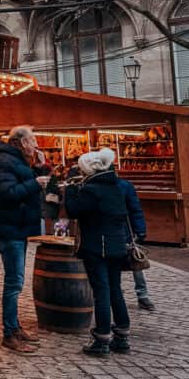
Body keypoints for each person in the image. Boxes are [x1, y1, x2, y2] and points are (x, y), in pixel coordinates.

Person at [64, 148, 131, 356]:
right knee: (115, 289)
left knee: (101, 291)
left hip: (97, 246)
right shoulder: (116, 187)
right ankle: (122, 334)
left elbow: (74, 210)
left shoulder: (92, 190)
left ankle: (102, 338)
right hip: (117, 246)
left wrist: (70, 191)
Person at [0, 126, 46, 353]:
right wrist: (35, 183)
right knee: (14, 281)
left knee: (16, 280)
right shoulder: (4, 161)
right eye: (32, 141)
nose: (35, 145)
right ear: (21, 142)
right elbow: (7, 193)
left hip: (16, 227)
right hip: (8, 228)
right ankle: (9, 332)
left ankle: (15, 327)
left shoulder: (16, 161)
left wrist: (38, 168)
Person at [116, 172, 155, 311]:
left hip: (127, 231)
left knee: (137, 263)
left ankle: (142, 295)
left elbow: (135, 209)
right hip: (113, 232)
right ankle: (118, 294)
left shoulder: (125, 186)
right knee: (115, 265)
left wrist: (140, 231)